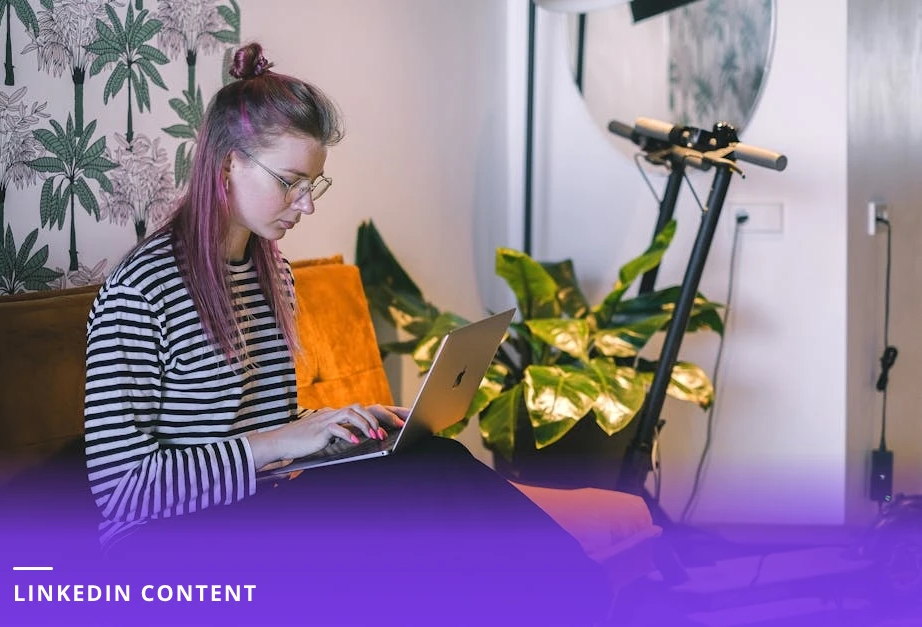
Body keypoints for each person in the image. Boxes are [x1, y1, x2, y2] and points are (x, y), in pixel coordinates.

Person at [84, 43, 606, 625]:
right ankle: (591, 600)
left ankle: (583, 597)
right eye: (291, 182)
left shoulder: (267, 267)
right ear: (228, 163)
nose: (305, 206)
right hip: (167, 546)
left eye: (315, 185)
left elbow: (263, 424)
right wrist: (289, 440)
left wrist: (344, 426)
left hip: (258, 506)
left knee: (429, 458)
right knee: (423, 498)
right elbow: (124, 491)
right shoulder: (141, 289)